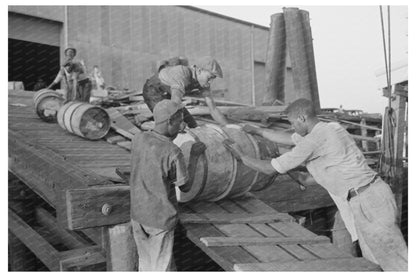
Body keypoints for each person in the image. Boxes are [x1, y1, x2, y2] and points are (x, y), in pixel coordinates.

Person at [223, 98, 407, 271]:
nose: (293, 128)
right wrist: (259, 131)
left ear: (302, 118)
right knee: (375, 260)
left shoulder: (313, 141)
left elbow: (268, 169)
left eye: (293, 123)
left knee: (396, 261)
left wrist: (241, 156)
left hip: (368, 200)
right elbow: (289, 143)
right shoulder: (331, 128)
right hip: (368, 196)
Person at [130, 99, 207, 271]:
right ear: (169, 121)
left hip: (138, 214)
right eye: (180, 121)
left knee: (146, 262)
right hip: (160, 219)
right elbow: (185, 187)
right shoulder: (172, 151)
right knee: (160, 268)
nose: (183, 125)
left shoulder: (139, 138)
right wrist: (194, 157)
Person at [142, 56, 228, 128]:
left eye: (213, 79)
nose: (210, 82)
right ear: (199, 71)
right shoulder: (183, 73)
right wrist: (178, 123)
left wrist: (228, 126)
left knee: (193, 126)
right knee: (171, 125)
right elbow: (175, 102)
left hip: (168, 94)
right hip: (154, 91)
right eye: (209, 78)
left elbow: (213, 108)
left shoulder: (204, 83)